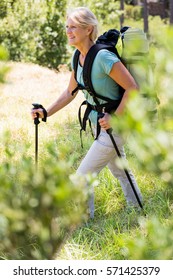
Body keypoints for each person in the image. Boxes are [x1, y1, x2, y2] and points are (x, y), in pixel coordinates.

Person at [31, 7, 142, 219]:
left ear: (88, 29)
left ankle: (83, 221)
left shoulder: (103, 57)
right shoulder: (78, 57)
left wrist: (115, 117)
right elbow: (69, 93)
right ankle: (137, 209)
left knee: (82, 177)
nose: (68, 31)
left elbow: (132, 88)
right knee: (120, 169)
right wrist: (46, 112)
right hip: (99, 124)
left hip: (115, 124)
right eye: (67, 27)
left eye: (73, 27)